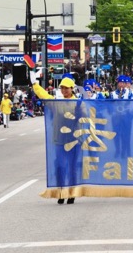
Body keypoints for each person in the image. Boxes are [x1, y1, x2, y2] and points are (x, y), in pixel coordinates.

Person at [32, 75, 81, 205]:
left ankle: (71, 193)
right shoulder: (57, 103)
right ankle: (60, 192)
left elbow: (85, 119)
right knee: (59, 166)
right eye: (62, 88)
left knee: (72, 168)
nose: (64, 90)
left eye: (66, 88)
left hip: (73, 141)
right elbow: (45, 96)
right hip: (59, 140)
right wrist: (35, 85)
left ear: (72, 89)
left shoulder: (78, 103)